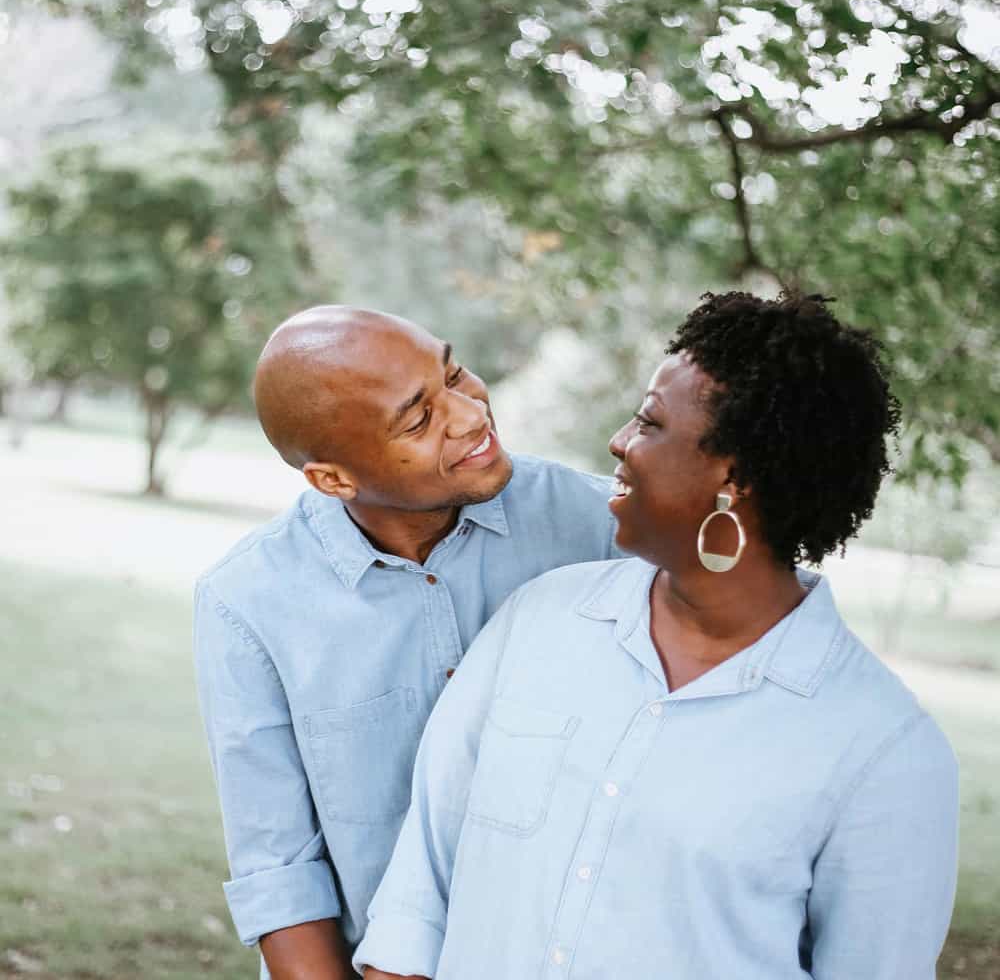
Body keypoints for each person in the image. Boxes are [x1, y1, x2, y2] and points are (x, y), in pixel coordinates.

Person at [355, 292, 959, 980]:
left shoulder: (883, 752)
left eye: (649, 421)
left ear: (732, 478)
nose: (619, 441)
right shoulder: (540, 619)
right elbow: (416, 901)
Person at [193, 306, 620, 979]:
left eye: (453, 374)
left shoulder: (606, 532)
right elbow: (280, 874)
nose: (471, 414)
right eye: (419, 420)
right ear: (334, 480)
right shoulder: (246, 603)